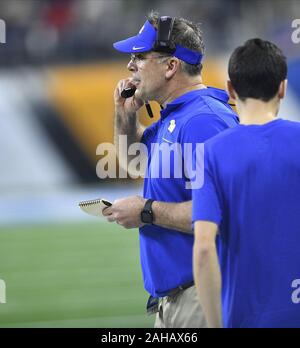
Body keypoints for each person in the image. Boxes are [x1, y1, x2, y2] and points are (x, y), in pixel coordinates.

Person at [103, 11, 238, 328]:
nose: (130, 66)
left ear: (171, 66)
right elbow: (135, 161)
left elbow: (222, 212)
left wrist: (146, 211)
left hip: (200, 299)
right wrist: (125, 116)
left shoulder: (203, 121)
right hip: (177, 302)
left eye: (140, 57)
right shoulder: (177, 116)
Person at [193, 38, 300, 328]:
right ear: (282, 88)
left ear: (230, 89)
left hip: (244, 317)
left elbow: (203, 249)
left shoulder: (209, 154)